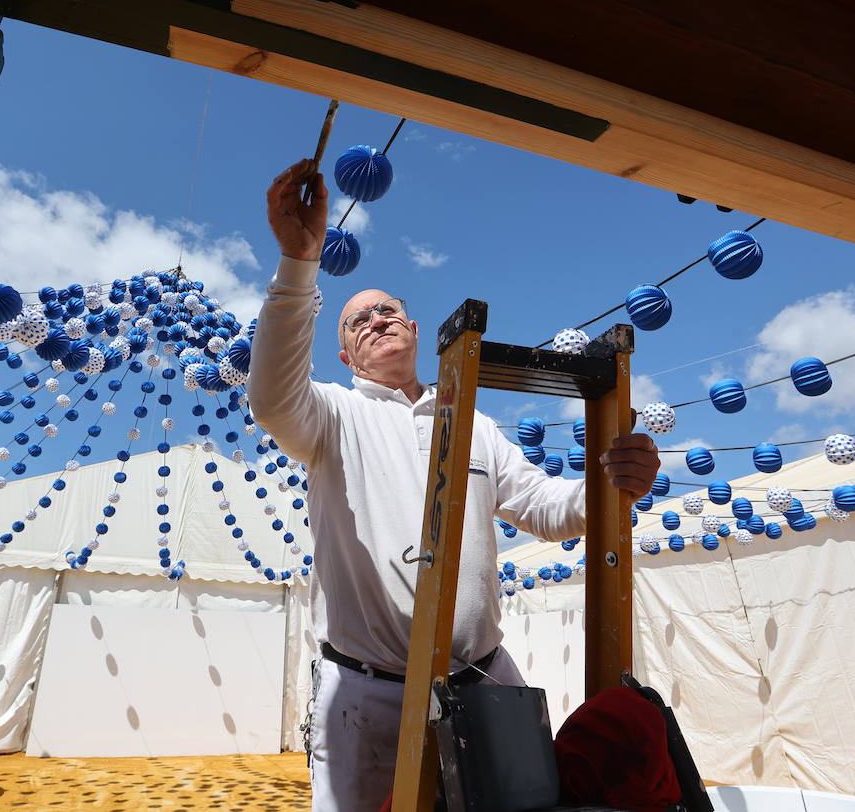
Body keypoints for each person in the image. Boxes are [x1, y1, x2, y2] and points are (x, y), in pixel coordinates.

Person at [246, 158, 661, 812]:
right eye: (357, 321)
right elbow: (271, 398)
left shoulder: (474, 425)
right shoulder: (330, 415)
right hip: (369, 700)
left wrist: (614, 484)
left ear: (415, 331)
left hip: (487, 683)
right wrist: (299, 263)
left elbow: (549, 509)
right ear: (346, 357)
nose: (376, 319)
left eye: (387, 310)